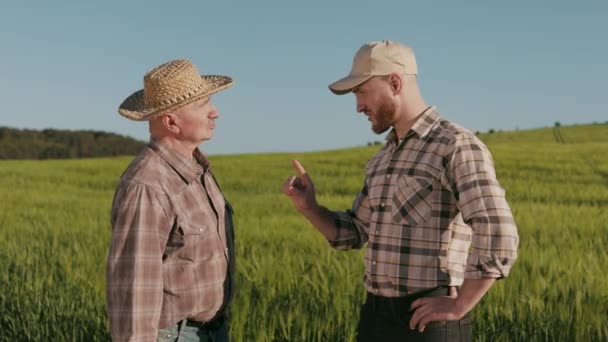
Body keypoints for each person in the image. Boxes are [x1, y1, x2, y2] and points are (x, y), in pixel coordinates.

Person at [282, 40, 519, 341]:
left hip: (427, 322)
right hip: (376, 316)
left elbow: (499, 232)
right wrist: (309, 208)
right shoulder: (381, 160)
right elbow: (354, 232)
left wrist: (461, 304)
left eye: (361, 92)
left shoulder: (454, 144)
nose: (358, 107)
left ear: (394, 82)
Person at [107, 59, 236, 342]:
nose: (215, 112)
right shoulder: (147, 184)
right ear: (171, 121)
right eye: (203, 104)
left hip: (212, 332)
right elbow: (134, 293)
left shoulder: (197, 170)